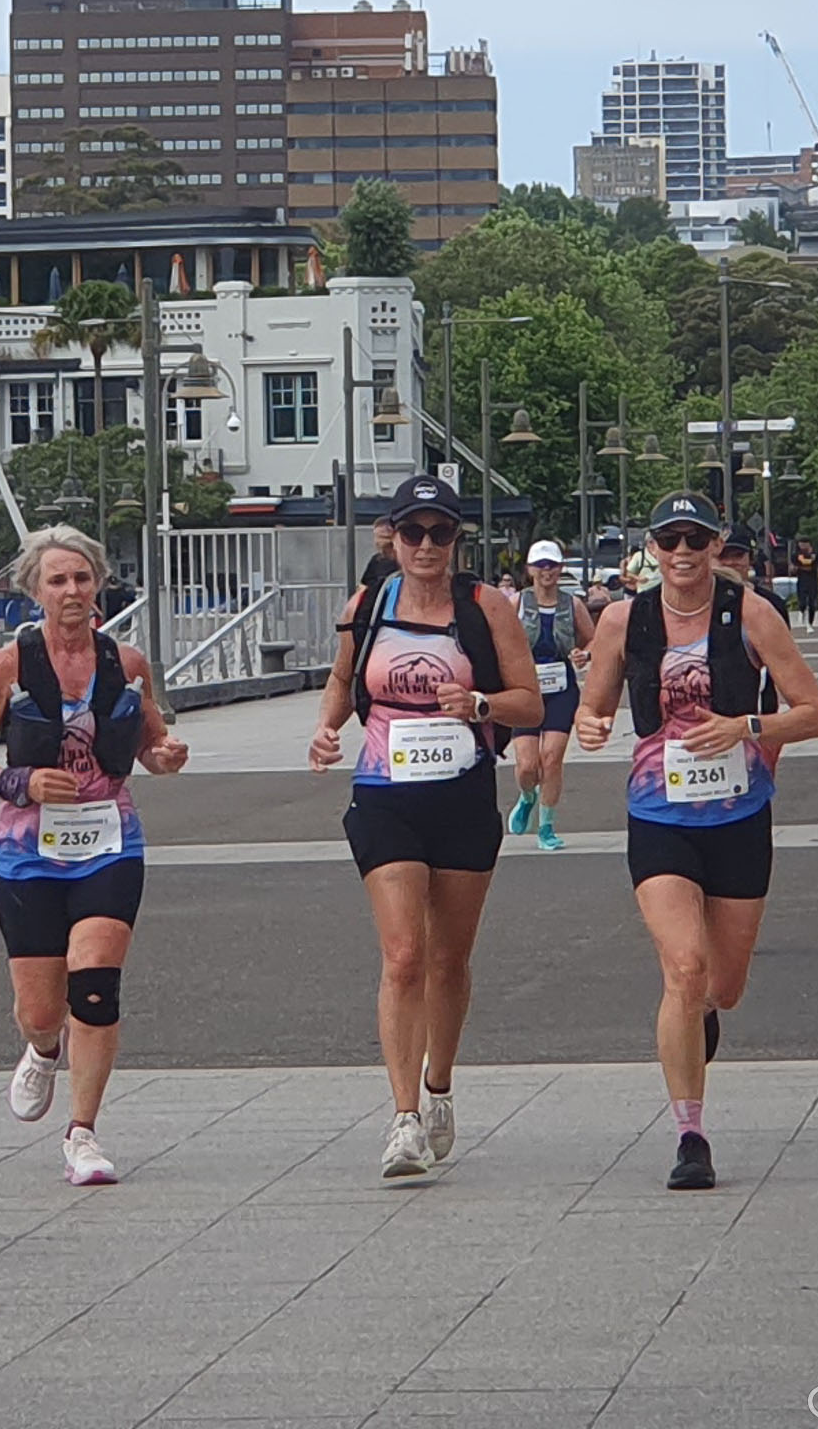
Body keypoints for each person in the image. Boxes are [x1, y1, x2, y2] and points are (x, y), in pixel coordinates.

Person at [576, 492, 818, 1192]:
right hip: (659, 816)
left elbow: (814, 715)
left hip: (739, 815)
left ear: (716, 546)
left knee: (724, 984)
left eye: (696, 540)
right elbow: (593, 708)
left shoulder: (750, 614)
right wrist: (590, 729)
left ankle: (704, 1013)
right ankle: (690, 1135)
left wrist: (746, 727)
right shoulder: (625, 620)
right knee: (683, 968)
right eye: (669, 540)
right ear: (651, 549)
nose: (682, 553)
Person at [309, 475, 542, 1180]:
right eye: (414, 532)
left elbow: (529, 703)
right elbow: (344, 682)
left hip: (462, 792)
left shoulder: (486, 608)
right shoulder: (369, 605)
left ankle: (440, 1084)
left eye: (441, 533)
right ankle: (404, 1118)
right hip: (385, 792)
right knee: (404, 954)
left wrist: (477, 704)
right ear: (394, 538)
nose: (427, 546)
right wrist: (324, 731)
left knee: (448, 960)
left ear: (457, 540)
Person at [0, 524, 186, 1187]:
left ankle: (82, 1133)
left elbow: (151, 742)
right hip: (28, 850)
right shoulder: (12, 665)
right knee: (41, 1007)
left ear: (99, 583)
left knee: (96, 978)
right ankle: (44, 1046)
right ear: (35, 591)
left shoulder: (126, 662)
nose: (73, 590)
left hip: (110, 840)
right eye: (58, 580)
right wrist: (17, 781)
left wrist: (163, 757)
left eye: (82, 577)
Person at [507, 539, 597, 852]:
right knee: (528, 764)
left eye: (552, 565)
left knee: (552, 757)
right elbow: (499, 641)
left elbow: (593, 641)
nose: (547, 572)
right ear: (530, 570)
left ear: (560, 569)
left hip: (561, 687)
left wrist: (583, 655)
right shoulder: (517, 602)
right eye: (541, 566)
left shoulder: (572, 604)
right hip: (526, 688)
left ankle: (546, 826)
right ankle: (527, 796)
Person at [358, 518, 399, 595]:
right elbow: (364, 586)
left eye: (383, 537)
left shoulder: (404, 561)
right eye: (377, 536)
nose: (377, 541)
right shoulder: (376, 560)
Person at [792, 538, 818, 629]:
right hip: (802, 579)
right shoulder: (796, 554)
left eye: (804, 544)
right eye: (800, 545)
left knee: (812, 601)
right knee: (802, 599)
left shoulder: (815, 554)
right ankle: (801, 612)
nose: (802, 546)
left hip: (813, 579)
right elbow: (794, 565)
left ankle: (810, 623)